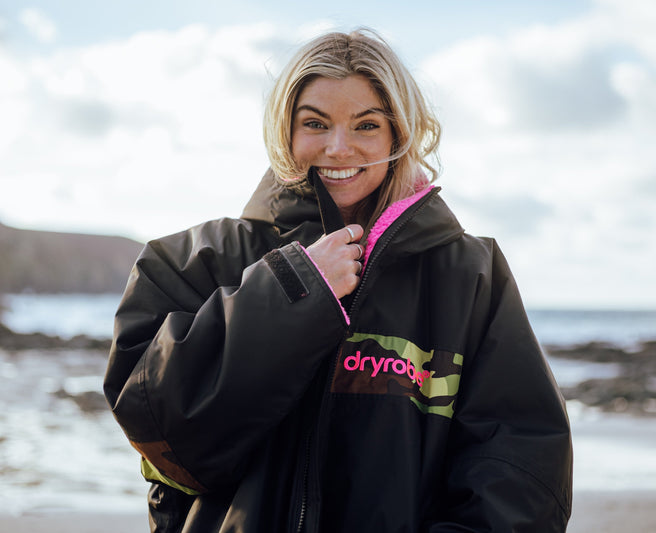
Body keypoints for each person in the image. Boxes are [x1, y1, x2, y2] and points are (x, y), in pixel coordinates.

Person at [104, 28, 573, 532]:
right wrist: (293, 290)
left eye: (366, 125)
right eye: (315, 123)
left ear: (399, 134)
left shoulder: (471, 275)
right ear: (285, 130)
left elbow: (521, 466)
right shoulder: (190, 262)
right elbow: (163, 437)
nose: (339, 147)